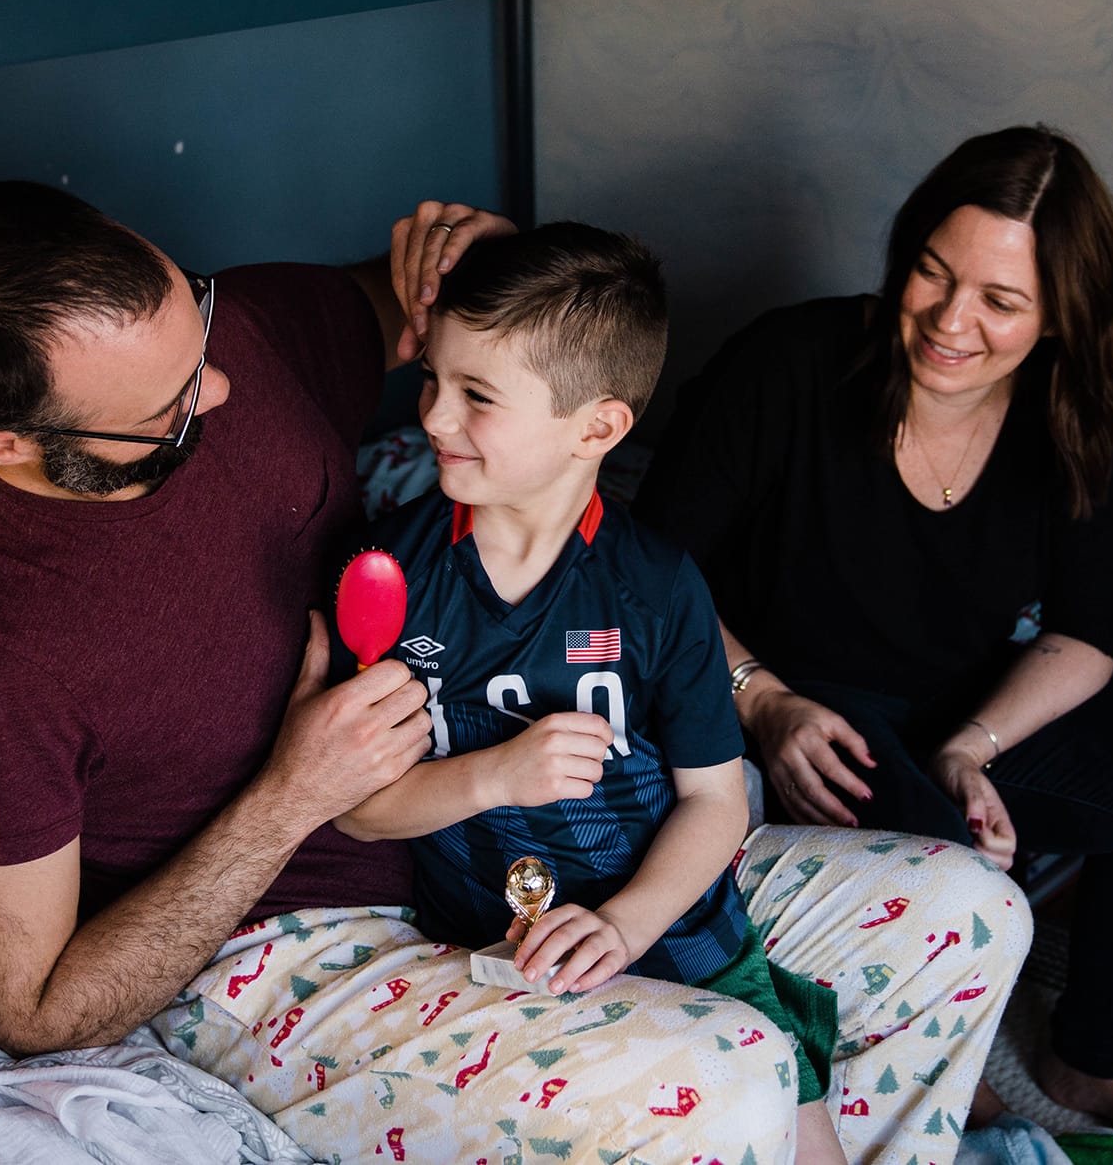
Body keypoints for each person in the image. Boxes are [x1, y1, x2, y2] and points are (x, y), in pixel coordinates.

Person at [0, 182, 1031, 1163]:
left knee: (969, 910)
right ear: (6, 443)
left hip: (517, 865)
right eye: (173, 408)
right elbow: (36, 1012)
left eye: (204, 335)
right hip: (295, 951)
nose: (221, 393)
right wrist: (293, 794)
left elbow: (468, 318)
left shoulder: (236, 341)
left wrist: (462, 242)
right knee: (731, 1073)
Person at [637, 125, 1113, 1128]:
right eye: (931, 275)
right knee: (948, 874)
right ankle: (881, 1102)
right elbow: (647, 570)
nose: (948, 321)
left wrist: (978, 743)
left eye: (1000, 302)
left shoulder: (1077, 417)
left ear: (1060, 318)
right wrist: (761, 700)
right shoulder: (791, 361)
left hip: (969, 702)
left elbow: (1087, 633)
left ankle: (1086, 1063)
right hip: (800, 698)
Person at [330, 224, 846, 1165]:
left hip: (675, 927)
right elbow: (358, 810)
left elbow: (716, 801)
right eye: (434, 380)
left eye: (477, 396)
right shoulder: (392, 571)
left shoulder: (657, 588)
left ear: (598, 427)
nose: (434, 418)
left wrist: (623, 923)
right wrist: (495, 773)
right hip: (488, 953)